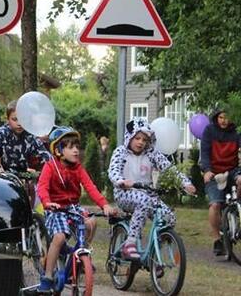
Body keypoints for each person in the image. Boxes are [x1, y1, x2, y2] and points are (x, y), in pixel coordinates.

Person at [36, 126, 115, 293]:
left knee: (91, 222)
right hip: (55, 208)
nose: (76, 151)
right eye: (71, 147)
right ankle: (48, 276)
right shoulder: (50, 167)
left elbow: (90, 187)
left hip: (73, 207)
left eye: (77, 147)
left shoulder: (78, 168)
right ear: (58, 150)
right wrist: (47, 202)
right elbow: (42, 187)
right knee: (59, 237)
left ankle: (79, 256)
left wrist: (105, 204)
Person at [108, 118, 195, 259]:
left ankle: (154, 256)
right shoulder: (121, 152)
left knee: (168, 217)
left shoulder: (151, 153)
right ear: (129, 137)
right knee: (143, 201)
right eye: (137, 138)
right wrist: (121, 181)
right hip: (125, 193)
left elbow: (169, 169)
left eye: (144, 139)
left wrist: (185, 183)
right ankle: (129, 244)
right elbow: (113, 171)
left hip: (148, 195)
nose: (141, 142)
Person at [199, 108, 241, 256]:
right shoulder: (210, 131)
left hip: (232, 170)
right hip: (214, 172)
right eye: (221, 117)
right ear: (217, 117)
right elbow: (204, 152)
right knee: (215, 204)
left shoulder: (237, 133)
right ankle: (217, 240)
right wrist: (207, 170)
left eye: (227, 117)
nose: (224, 121)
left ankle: (238, 209)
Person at [0, 100, 50, 174]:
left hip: (25, 176)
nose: (19, 123)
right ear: (8, 119)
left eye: (22, 119)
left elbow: (46, 157)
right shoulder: (1, 135)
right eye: (14, 119)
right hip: (3, 177)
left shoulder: (30, 135)